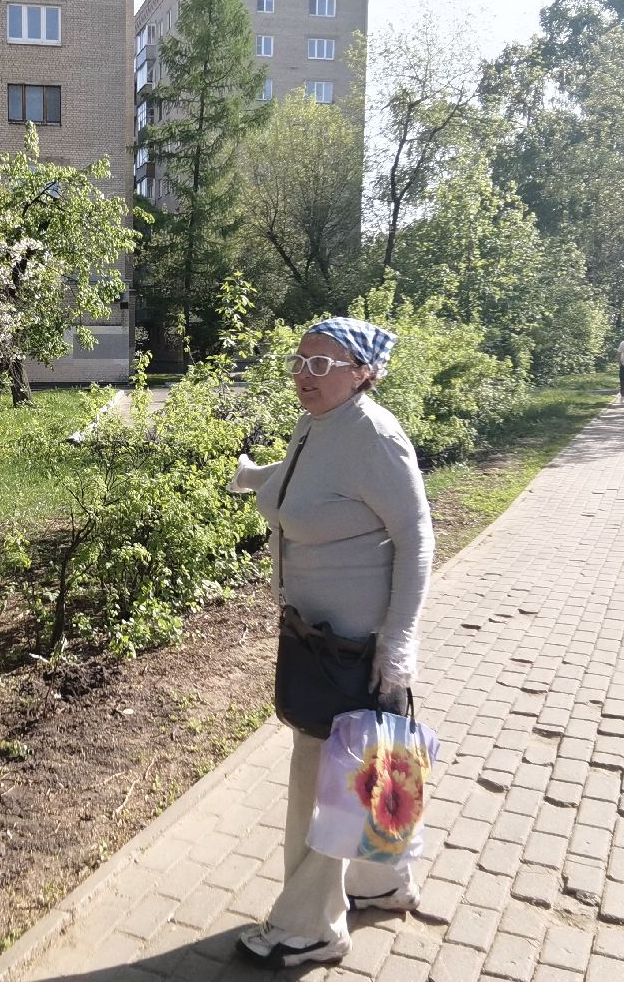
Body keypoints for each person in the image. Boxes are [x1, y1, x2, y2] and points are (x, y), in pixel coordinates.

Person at [228, 318, 433, 968]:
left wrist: (397, 642)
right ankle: (382, 881)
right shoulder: (319, 424)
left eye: (322, 364)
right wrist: (254, 477)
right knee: (370, 765)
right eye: (300, 360)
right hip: (318, 637)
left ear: (362, 372)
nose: (304, 374)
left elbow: (416, 537)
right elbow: (299, 479)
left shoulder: (374, 435)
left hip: (352, 648)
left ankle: (308, 926)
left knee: (321, 781)